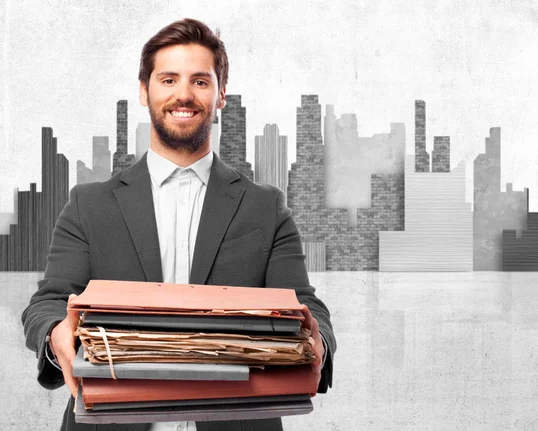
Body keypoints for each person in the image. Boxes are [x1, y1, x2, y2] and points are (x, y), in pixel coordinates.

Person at [21, 18, 336, 431]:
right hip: (108, 419)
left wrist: (318, 342)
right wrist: (53, 334)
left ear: (221, 94)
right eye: (168, 79)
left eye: (200, 81)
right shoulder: (89, 204)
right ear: (144, 90)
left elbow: (306, 307)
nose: (183, 95)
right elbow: (47, 304)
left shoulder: (266, 207)